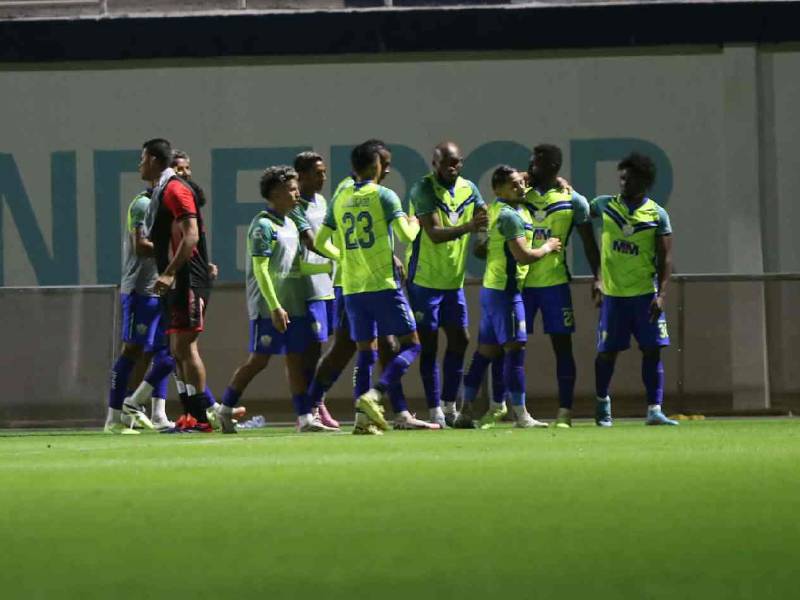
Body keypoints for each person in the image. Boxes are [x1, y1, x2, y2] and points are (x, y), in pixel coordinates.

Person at [307, 140, 435, 430]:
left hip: (352, 287)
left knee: (367, 351)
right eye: (385, 164)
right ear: (375, 165)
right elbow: (408, 236)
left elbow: (319, 242)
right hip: (382, 283)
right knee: (412, 345)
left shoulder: (341, 196)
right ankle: (375, 394)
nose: (387, 170)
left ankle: (362, 419)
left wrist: (345, 258)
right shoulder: (385, 195)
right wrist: (415, 221)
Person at [216, 166, 337, 434]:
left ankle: (305, 419)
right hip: (269, 308)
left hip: (292, 304)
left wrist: (332, 265)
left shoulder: (292, 222)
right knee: (258, 360)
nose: (297, 194)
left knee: (295, 359)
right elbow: (261, 269)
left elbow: (297, 268)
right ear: (275, 193)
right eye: (292, 189)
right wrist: (274, 306)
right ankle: (224, 409)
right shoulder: (263, 225)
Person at [456, 166, 561, 429]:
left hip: (491, 290)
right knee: (515, 351)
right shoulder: (510, 216)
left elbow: (482, 249)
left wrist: (556, 179)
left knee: (484, 353)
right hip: (506, 293)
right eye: (513, 185)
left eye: (520, 182)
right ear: (499, 189)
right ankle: (521, 415)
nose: (520, 187)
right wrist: (548, 246)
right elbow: (524, 256)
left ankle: (465, 410)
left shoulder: (497, 209)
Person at [405, 142, 488, 427]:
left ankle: (449, 405)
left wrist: (483, 240)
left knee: (460, 340)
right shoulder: (423, 189)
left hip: (453, 281)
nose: (451, 168)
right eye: (445, 163)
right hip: (424, 281)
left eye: (456, 162)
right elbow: (435, 233)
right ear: (434, 163)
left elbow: (484, 216)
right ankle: (433, 409)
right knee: (429, 345)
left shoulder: (469, 188)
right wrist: (469, 228)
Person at [590, 153, 677, 426]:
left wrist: (661, 295)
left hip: (644, 296)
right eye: (622, 178)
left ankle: (654, 409)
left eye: (629, 178)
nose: (624, 183)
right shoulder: (605, 206)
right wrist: (598, 277)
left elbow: (666, 259)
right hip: (614, 297)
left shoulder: (657, 214)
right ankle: (603, 405)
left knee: (652, 351)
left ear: (645, 181)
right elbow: (578, 213)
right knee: (606, 353)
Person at [521, 144, 601, 428]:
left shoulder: (574, 201)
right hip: (523, 285)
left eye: (536, 164)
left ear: (553, 167)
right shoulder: (521, 195)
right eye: (530, 163)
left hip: (555, 285)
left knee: (562, 348)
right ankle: (516, 411)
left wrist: (599, 278)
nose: (530, 168)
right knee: (513, 347)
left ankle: (565, 412)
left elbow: (589, 243)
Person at [139, 138, 214, 432]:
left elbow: (191, 235)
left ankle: (201, 418)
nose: (140, 165)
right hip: (176, 281)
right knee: (176, 348)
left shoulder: (175, 190)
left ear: (156, 160)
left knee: (186, 346)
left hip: (187, 279)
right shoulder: (161, 190)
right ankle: (189, 415)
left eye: (143, 159)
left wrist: (169, 273)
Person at [104, 182, 173, 434]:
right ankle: (113, 418)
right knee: (132, 350)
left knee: (163, 353)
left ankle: (154, 413)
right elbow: (141, 246)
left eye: (186, 169)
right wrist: (178, 249)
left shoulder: (170, 208)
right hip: (139, 290)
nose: (183, 175)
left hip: (159, 291)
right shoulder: (143, 204)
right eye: (178, 169)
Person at [288, 151, 340, 429]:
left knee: (319, 348)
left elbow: (334, 234)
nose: (323, 178)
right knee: (309, 350)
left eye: (324, 172)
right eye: (317, 173)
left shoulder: (322, 202)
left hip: (326, 284)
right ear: (302, 176)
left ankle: (316, 403)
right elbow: (310, 241)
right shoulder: (294, 206)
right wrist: (342, 256)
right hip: (305, 286)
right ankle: (310, 408)